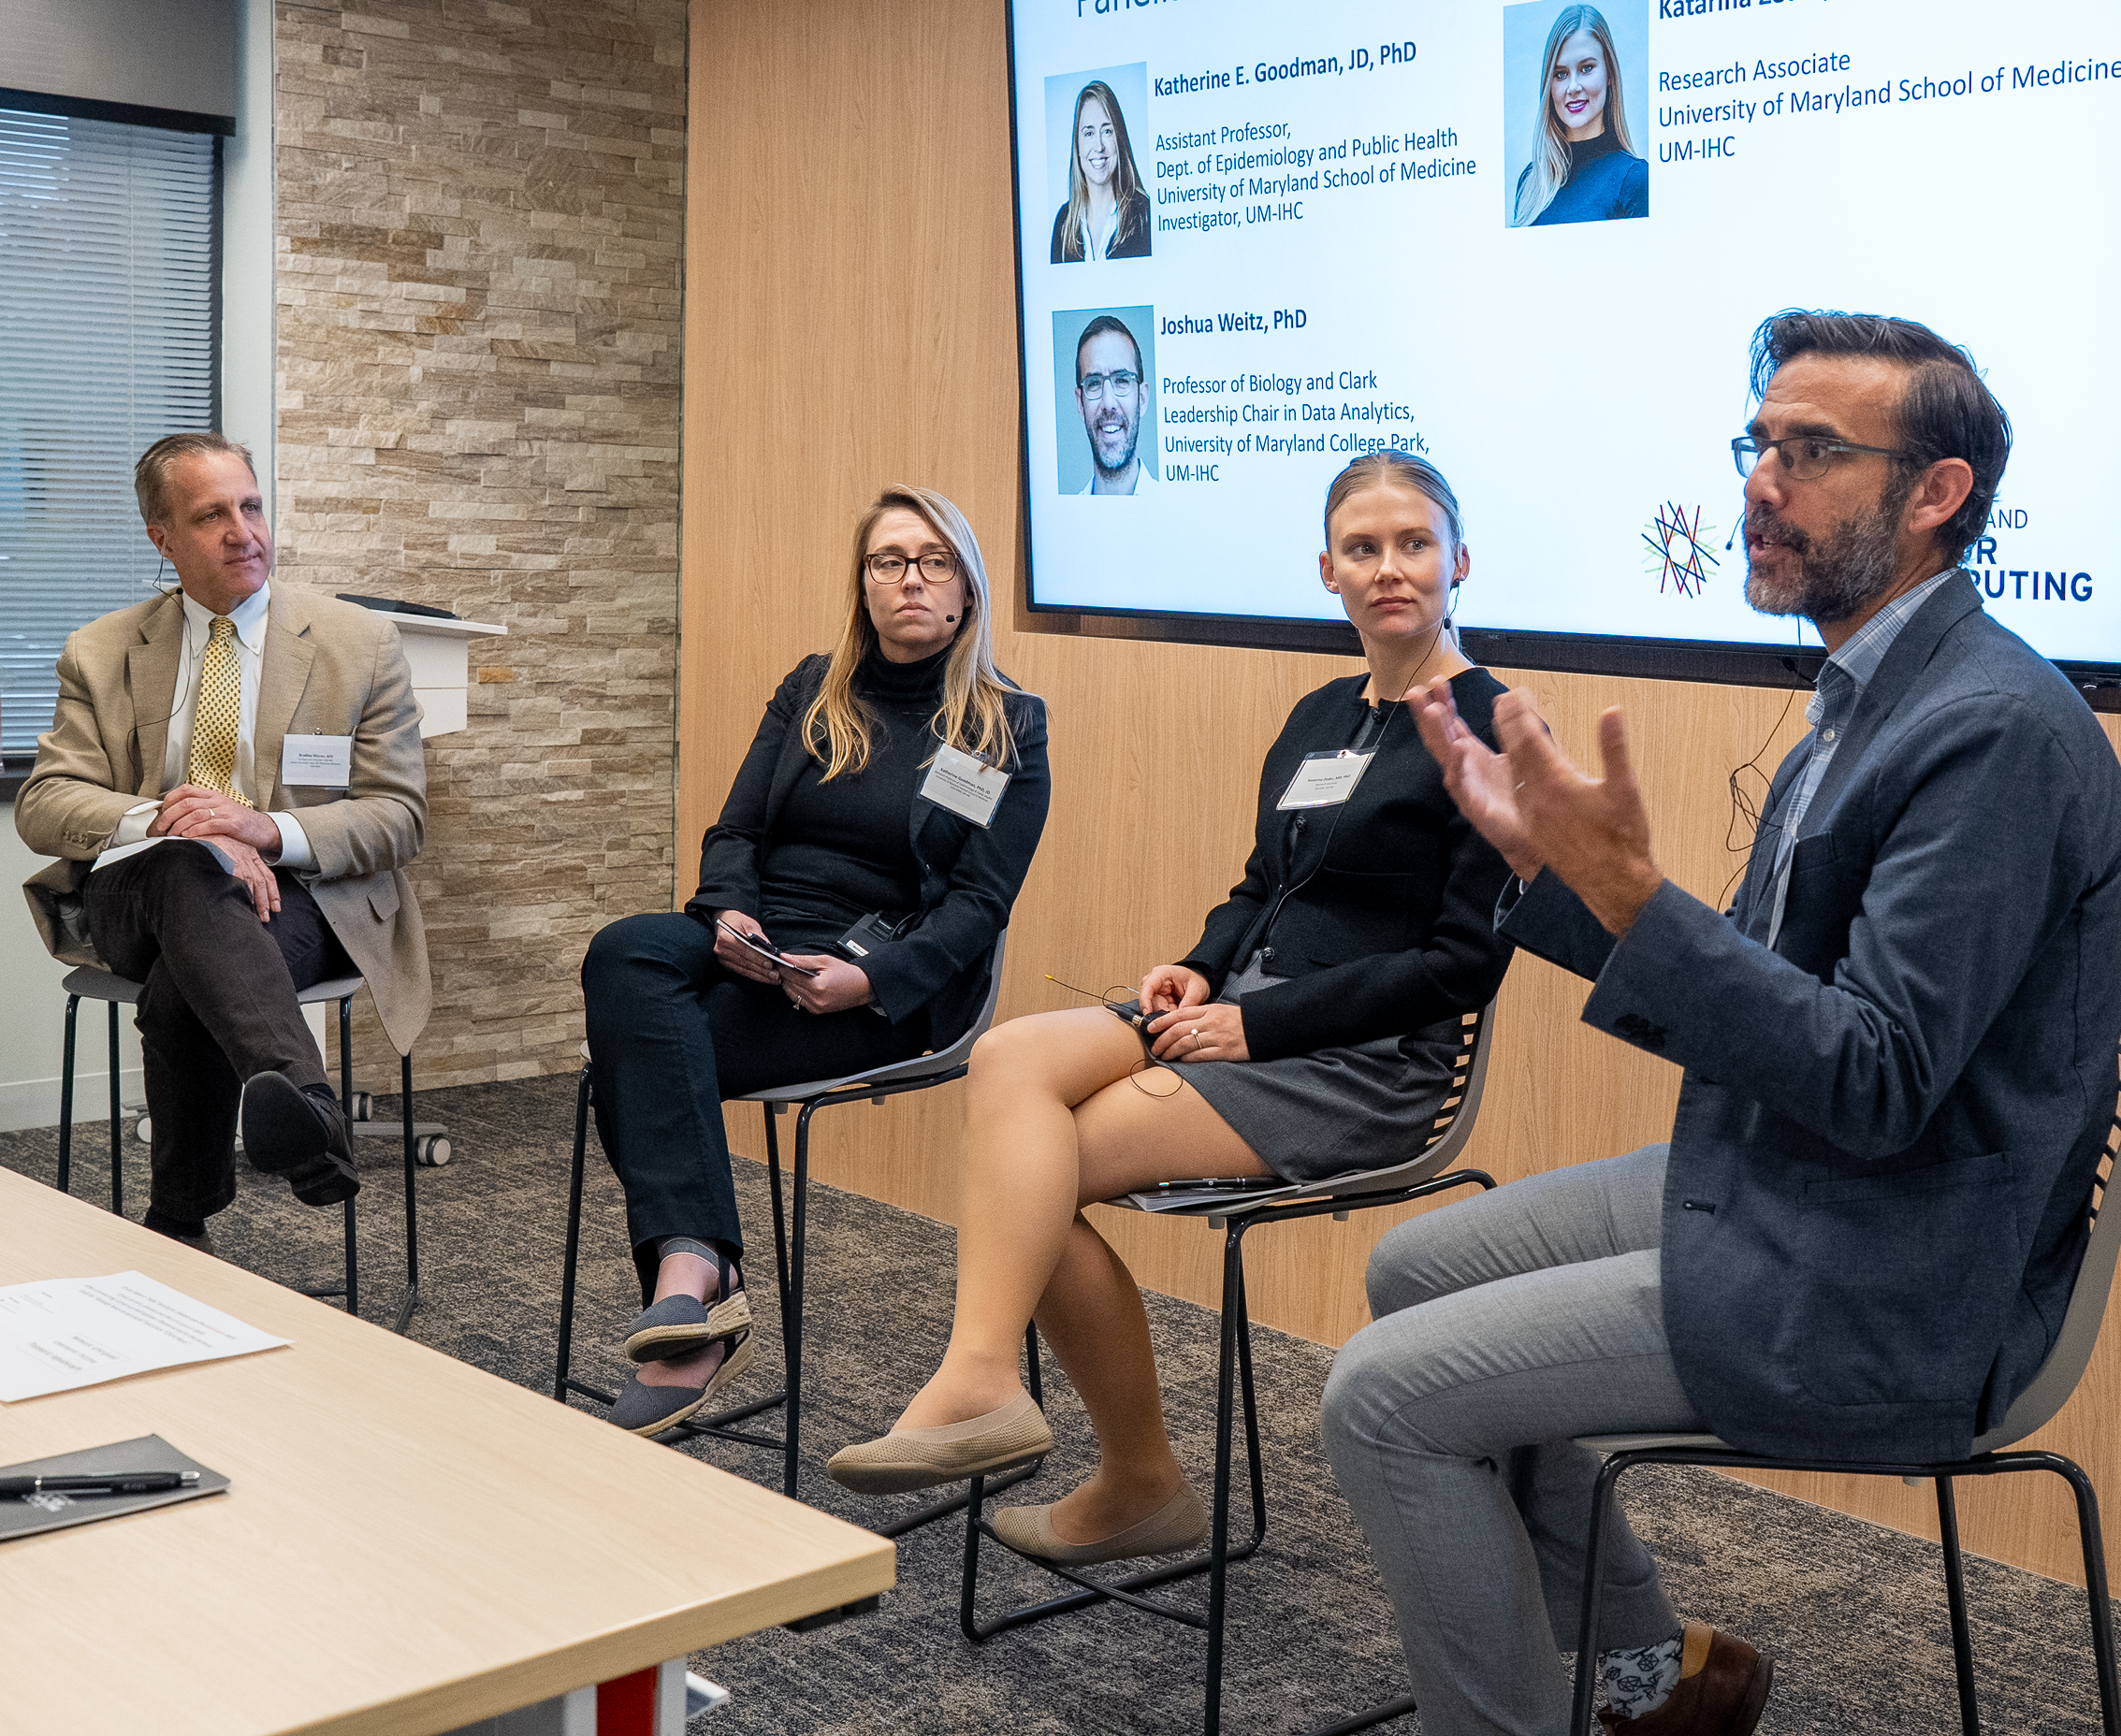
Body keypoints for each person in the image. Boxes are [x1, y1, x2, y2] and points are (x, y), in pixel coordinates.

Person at [1321, 311, 2121, 1736]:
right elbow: (1766, 982)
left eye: (1813, 450)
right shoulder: (1868, 694)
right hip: (1797, 1186)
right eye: (1757, 443)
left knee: (1380, 1399)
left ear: (1936, 494)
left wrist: (1637, 899)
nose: (1761, 481)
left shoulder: (1993, 729)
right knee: (1411, 1269)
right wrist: (1561, 878)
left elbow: (1874, 1079)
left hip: (1888, 1272)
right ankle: (1657, 1671)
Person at [827, 453, 1515, 1568]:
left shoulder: (1493, 725)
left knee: (1032, 1170)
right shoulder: (1321, 712)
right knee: (1009, 1064)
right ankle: (990, 1376)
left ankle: (1131, 1473)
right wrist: (1201, 966)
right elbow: (1262, 884)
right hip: (1236, 1014)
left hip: (1362, 1063)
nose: (1389, 567)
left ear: (1460, 562)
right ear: (1327, 570)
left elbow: (1460, 966)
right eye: (1363, 547)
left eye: (1414, 543)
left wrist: (1259, 1026)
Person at [579, 487, 1050, 1437]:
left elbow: (979, 907)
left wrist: (870, 980)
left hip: (874, 965)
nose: (909, 578)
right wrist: (732, 915)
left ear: (965, 583)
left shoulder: (1006, 726)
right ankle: (702, 1266)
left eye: (932, 559)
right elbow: (736, 827)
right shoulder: (812, 687)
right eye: (887, 560)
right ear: (862, 583)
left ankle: (691, 1288)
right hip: (756, 929)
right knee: (623, 948)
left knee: (641, 1059)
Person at [17, 432, 430, 1251]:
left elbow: (399, 815)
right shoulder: (100, 651)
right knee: (184, 869)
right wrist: (182, 820)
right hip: (143, 888)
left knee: (190, 979)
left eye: (250, 506)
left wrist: (264, 829)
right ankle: (307, 1101)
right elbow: (45, 802)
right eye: (211, 515)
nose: (243, 530)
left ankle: (180, 1221)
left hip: (299, 901)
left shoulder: (360, 645)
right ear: (162, 539)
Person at [1511, 4, 1647, 227]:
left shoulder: (1635, 179)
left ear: (1610, 74)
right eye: (1561, 74)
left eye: (1586, 68)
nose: (1572, 87)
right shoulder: (1530, 181)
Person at [1050, 80, 1153, 263]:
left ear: (1119, 139)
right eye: (1089, 133)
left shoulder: (1145, 214)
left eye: (1107, 131)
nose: (1099, 146)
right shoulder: (1064, 221)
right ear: (1077, 145)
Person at [1067, 315, 1159, 497]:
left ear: (1142, 398)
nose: (1108, 403)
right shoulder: (1062, 518)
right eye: (1093, 383)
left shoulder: (1177, 508)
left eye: (1122, 380)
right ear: (1080, 404)